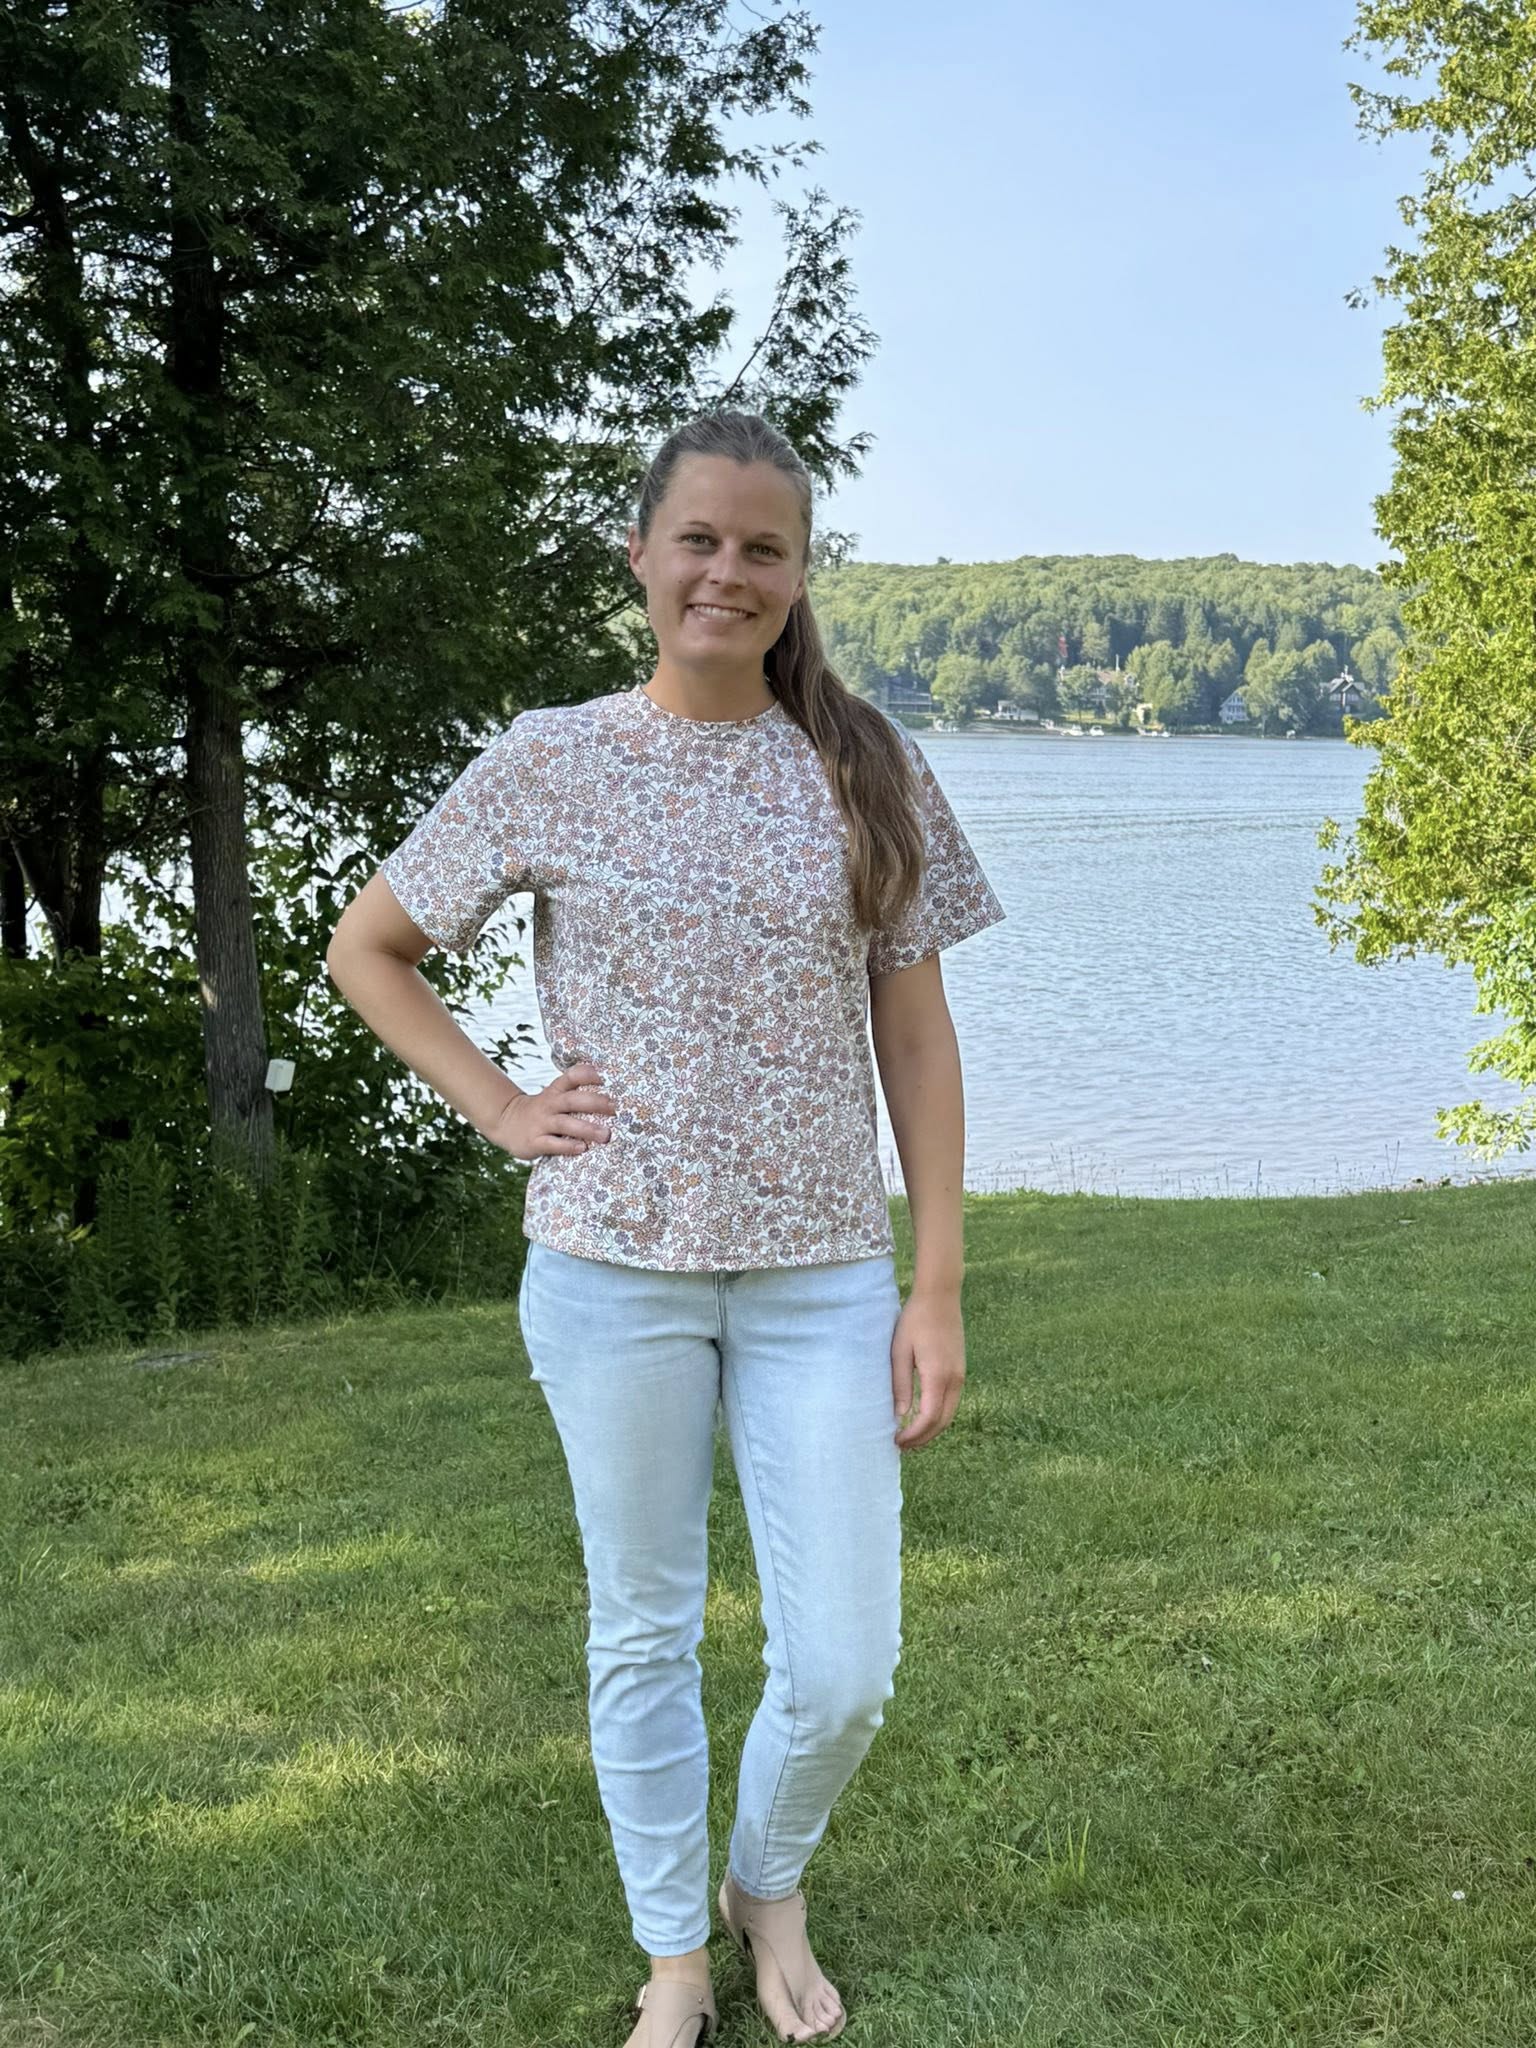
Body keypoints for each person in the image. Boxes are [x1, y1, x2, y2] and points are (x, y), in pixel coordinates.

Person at [325, 409, 1006, 2047]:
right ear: (640, 554)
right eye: (698, 539)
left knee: (843, 1664)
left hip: (822, 1277)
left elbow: (917, 1041)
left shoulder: (866, 764)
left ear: (800, 572)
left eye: (764, 548)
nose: (727, 572)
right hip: (610, 1268)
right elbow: (369, 949)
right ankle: (675, 1963)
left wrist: (934, 1286)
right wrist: (503, 1108)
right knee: (642, 1627)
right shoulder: (552, 757)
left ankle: (765, 1880)